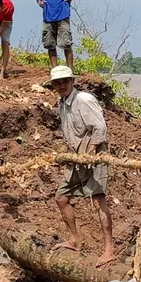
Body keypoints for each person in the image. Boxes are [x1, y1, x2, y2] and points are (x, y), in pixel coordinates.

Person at [49, 65, 115, 266]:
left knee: (98, 200)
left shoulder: (83, 100)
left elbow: (99, 127)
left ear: (72, 81)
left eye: (65, 81)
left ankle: (109, 249)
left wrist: (91, 153)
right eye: (57, 83)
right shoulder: (62, 104)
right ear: (53, 85)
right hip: (76, 157)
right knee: (61, 198)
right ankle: (74, 239)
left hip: (93, 155)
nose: (62, 85)